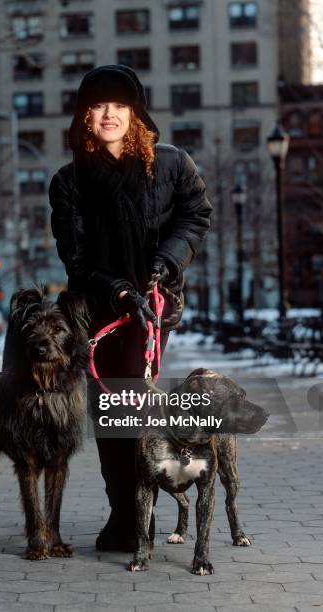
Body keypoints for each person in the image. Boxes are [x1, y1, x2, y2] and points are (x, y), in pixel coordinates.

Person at [48, 64, 212, 552]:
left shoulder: (171, 164)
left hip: (154, 307)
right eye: (98, 106)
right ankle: (126, 511)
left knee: (132, 409)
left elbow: (196, 215)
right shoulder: (69, 182)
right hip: (101, 308)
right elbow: (75, 257)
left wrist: (167, 262)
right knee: (112, 414)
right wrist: (118, 288)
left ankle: (135, 513)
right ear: (84, 117)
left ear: (136, 112)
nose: (109, 115)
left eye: (119, 105)